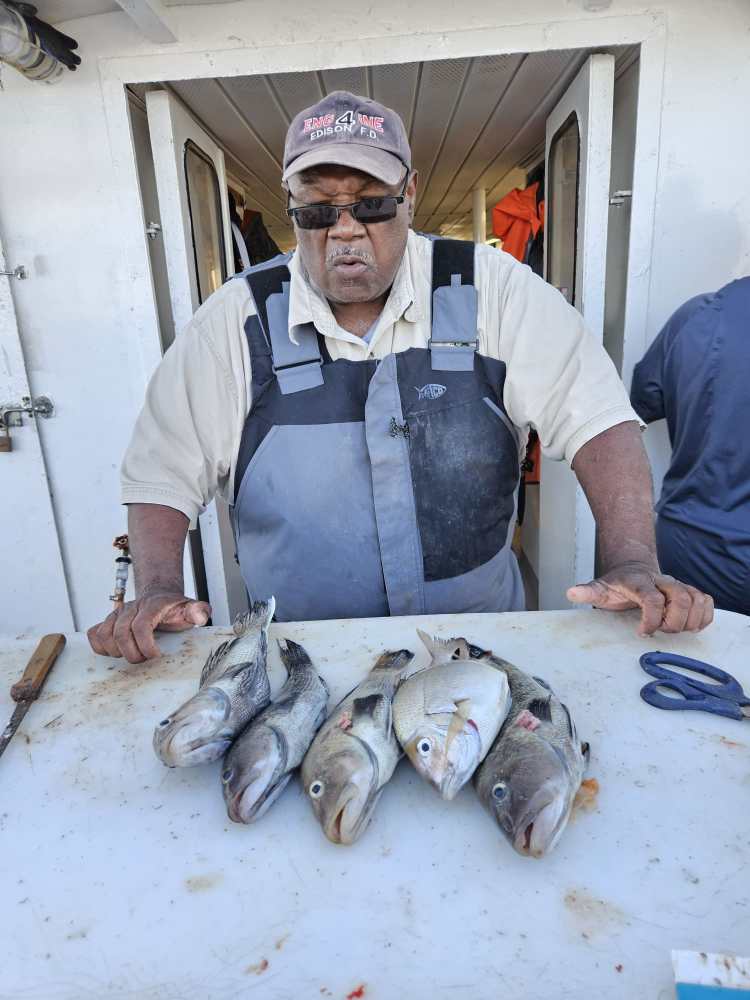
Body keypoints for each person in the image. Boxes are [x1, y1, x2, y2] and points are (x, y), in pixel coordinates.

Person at [87, 91, 713, 664]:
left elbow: (600, 421)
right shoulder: (234, 320)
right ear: (291, 208)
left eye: (372, 205)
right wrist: (161, 589)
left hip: (475, 650)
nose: (346, 229)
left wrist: (631, 560)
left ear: (410, 194)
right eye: (318, 211)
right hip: (300, 657)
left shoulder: (493, 289)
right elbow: (163, 469)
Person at [630, 278, 750, 615]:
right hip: (695, 545)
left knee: (690, 660)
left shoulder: (697, 316)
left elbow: (643, 401)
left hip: (692, 546)